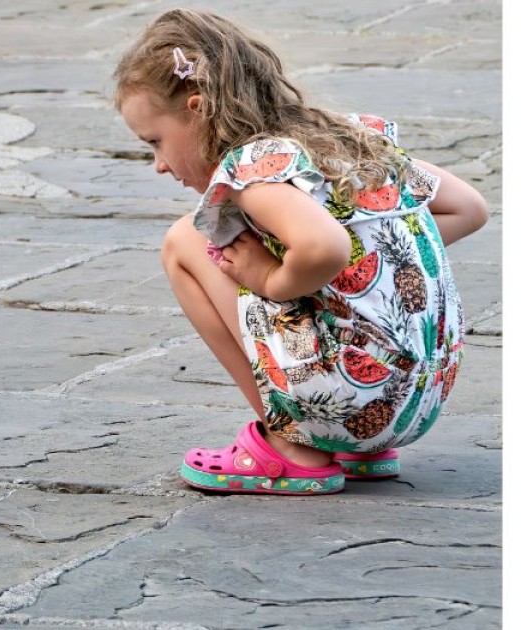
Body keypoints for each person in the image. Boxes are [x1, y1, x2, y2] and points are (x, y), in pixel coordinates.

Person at [113, 9, 489, 495]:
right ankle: (357, 449)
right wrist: (376, 259)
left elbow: (323, 245)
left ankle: (291, 446)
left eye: (155, 142)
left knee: (185, 241)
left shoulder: (251, 171)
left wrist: (272, 277)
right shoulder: (347, 141)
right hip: (420, 397)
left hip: (353, 402)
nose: (159, 165)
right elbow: (469, 209)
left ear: (198, 108)